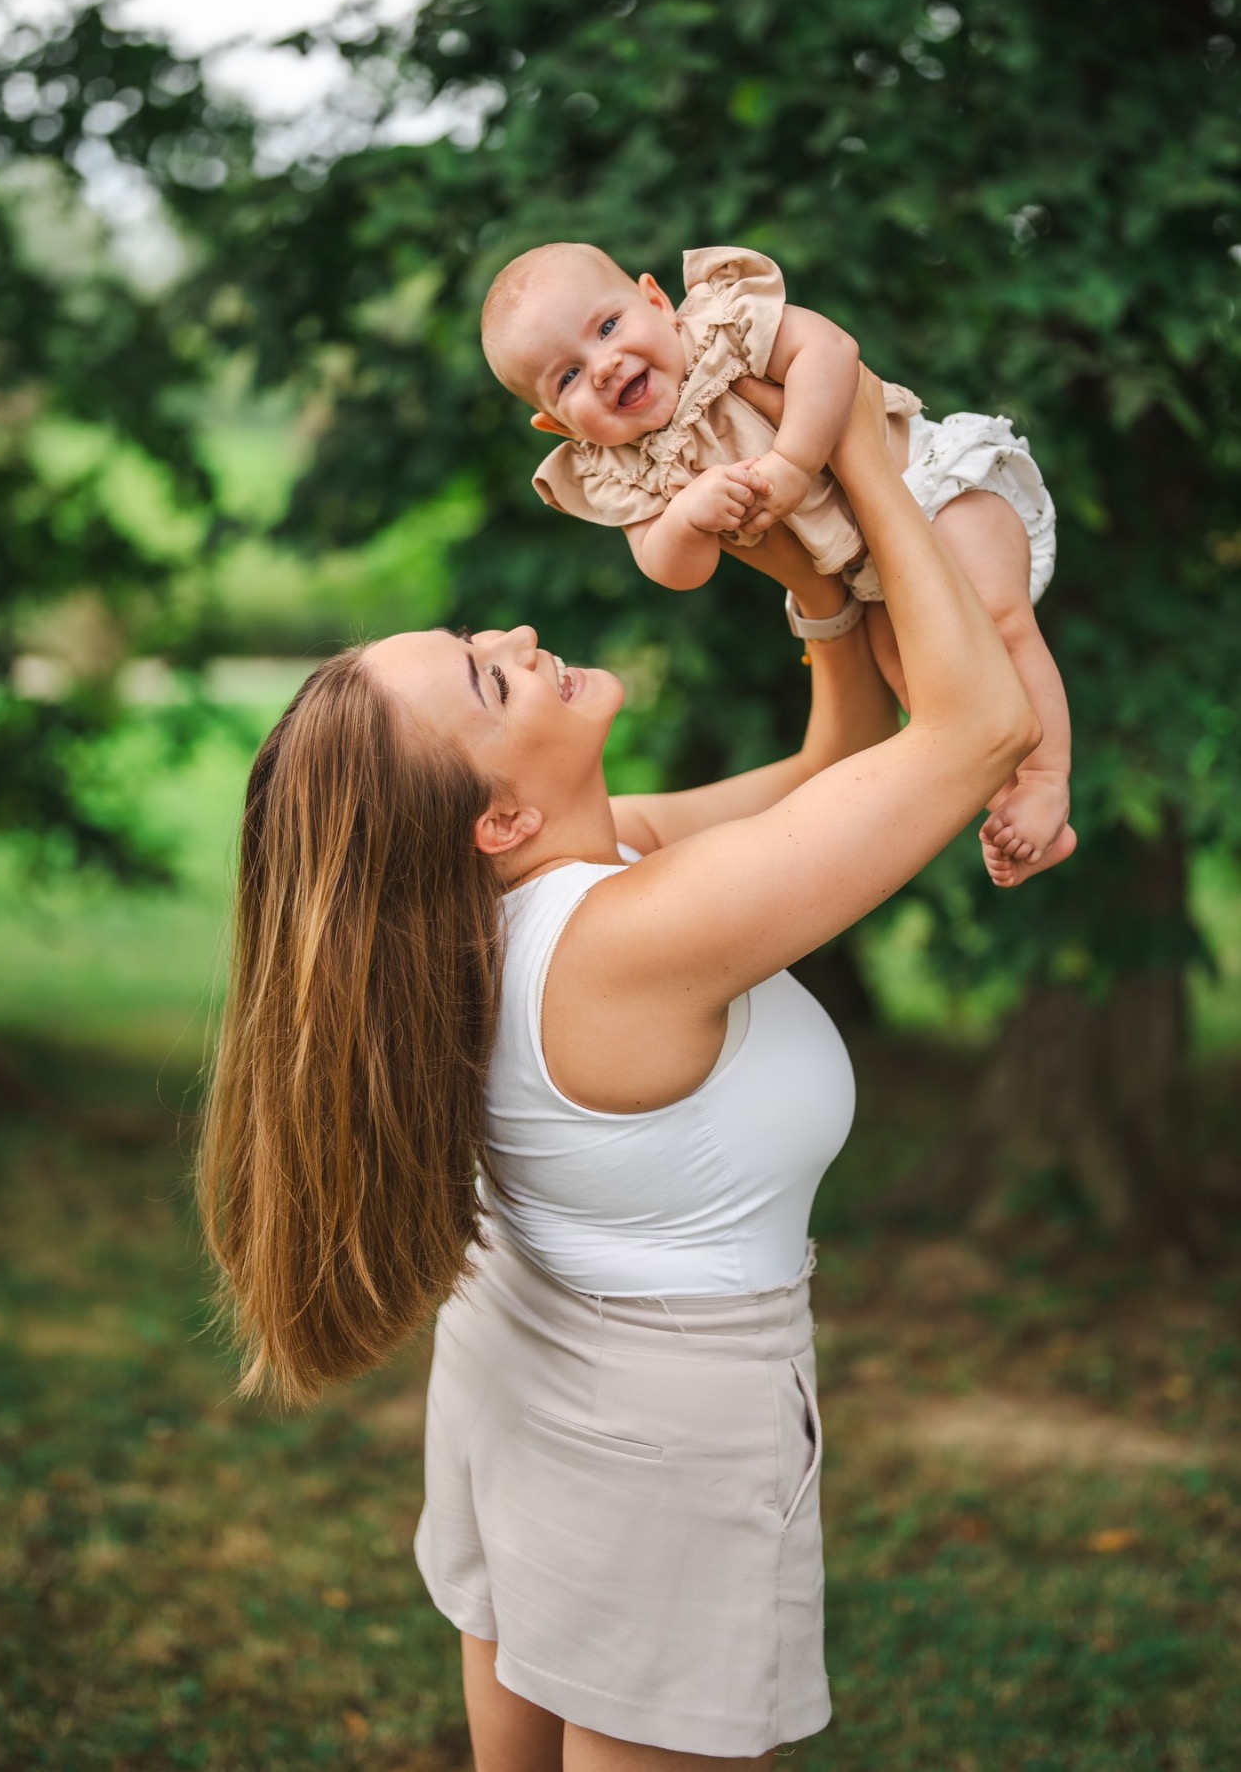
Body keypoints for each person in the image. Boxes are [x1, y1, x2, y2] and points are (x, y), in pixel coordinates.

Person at [198, 375, 1039, 1770]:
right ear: (498, 816)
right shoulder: (625, 941)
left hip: (533, 1371)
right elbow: (972, 735)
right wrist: (868, 474)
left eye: (479, 636)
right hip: (662, 1438)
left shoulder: (552, 885)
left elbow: (841, 762)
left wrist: (818, 600)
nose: (521, 634)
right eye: (486, 675)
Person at [482, 240, 1072, 888]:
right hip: (873, 572)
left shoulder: (722, 327)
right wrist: (685, 517)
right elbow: (671, 567)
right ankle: (1011, 805)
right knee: (912, 679)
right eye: (566, 377)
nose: (601, 365)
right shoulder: (625, 471)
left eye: (607, 326)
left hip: (935, 485)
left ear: (655, 300)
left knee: (995, 619)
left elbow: (831, 352)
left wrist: (793, 461)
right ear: (556, 425)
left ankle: (1045, 780)